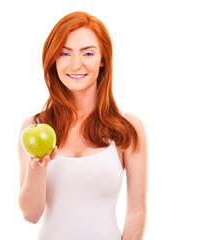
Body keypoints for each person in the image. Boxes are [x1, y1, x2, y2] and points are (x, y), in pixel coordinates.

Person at [18, 11, 147, 240]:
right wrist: (37, 167)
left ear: (103, 59)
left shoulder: (127, 128)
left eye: (88, 53)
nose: (76, 64)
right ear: (53, 60)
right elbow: (31, 214)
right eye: (64, 53)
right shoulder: (34, 127)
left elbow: (136, 212)